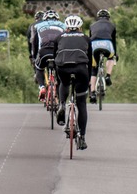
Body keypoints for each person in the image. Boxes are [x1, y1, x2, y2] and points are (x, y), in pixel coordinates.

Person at [53, 14, 91, 150]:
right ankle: (82, 137)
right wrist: (90, 80)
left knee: (64, 83)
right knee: (81, 103)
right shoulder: (86, 38)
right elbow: (90, 60)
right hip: (81, 68)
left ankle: (62, 104)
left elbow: (54, 55)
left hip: (63, 67)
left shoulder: (59, 37)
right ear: (80, 27)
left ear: (66, 27)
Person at [31, 10, 65, 101]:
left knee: (39, 68)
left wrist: (34, 57)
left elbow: (34, 43)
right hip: (57, 52)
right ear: (57, 18)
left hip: (43, 52)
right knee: (60, 70)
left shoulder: (38, 26)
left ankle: (42, 87)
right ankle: (58, 86)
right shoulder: (63, 26)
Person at [88, 8, 118, 98]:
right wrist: (115, 54)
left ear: (98, 17)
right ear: (108, 17)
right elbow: (113, 42)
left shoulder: (92, 25)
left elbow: (90, 39)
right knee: (110, 57)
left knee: (94, 69)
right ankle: (108, 75)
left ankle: (92, 93)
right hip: (107, 44)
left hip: (94, 45)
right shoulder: (112, 25)